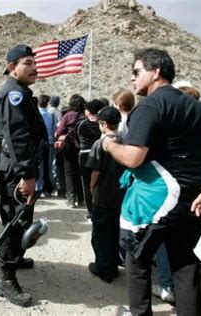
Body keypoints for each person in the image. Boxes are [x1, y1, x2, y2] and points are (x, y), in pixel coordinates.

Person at [102, 48, 201, 315]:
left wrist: (108, 145)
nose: (132, 78)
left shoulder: (149, 105)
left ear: (156, 71)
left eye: (137, 72)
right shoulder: (195, 107)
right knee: (185, 265)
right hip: (193, 197)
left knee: (136, 260)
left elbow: (134, 157)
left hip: (158, 197)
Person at [0, 44, 47, 307]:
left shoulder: (20, 92)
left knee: (22, 220)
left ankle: (16, 257)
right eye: (27, 63)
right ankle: (5, 278)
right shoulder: (13, 94)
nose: (34, 67)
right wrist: (26, 174)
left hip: (20, 169)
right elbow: (17, 138)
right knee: (15, 223)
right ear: (12, 67)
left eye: (34, 62)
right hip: (17, 172)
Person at [85, 106, 125, 283]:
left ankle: (104, 269)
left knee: (100, 234)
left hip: (103, 196)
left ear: (103, 124)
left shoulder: (100, 144)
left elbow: (95, 172)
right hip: (121, 195)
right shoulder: (126, 141)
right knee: (115, 231)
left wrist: (92, 188)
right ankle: (114, 263)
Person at [55, 94, 85, 208]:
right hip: (82, 147)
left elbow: (59, 131)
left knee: (69, 174)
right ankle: (81, 198)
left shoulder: (68, 115)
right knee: (80, 174)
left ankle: (71, 199)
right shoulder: (84, 116)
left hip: (69, 147)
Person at [76, 99, 103, 220]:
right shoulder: (103, 123)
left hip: (85, 155)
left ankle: (91, 213)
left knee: (86, 185)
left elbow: (76, 139)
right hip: (100, 154)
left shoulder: (81, 124)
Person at [36, 94, 56, 197]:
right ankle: (47, 189)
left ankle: (37, 188)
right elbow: (53, 130)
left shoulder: (35, 114)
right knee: (48, 167)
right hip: (49, 143)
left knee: (37, 167)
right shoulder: (51, 115)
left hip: (37, 144)